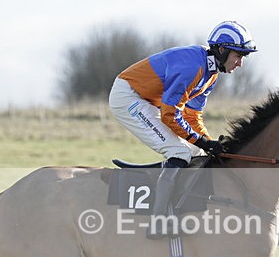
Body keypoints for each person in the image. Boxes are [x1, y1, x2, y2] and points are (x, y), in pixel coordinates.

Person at [109, 21, 257, 238]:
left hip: (146, 100)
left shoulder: (211, 74)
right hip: (128, 97)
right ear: (222, 50)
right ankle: (158, 222)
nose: (240, 63)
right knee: (179, 151)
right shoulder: (192, 67)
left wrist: (208, 144)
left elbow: (191, 115)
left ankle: (181, 211)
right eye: (239, 55)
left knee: (197, 153)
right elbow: (170, 115)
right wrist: (201, 141)